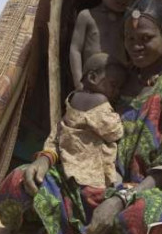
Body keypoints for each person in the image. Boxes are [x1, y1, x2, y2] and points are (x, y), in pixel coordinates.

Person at [0, 0, 162, 234]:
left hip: (149, 189)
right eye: (130, 39)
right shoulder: (115, 77)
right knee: (17, 183)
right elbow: (74, 124)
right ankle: (93, 232)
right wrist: (46, 158)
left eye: (146, 38)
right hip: (93, 182)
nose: (136, 46)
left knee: (140, 216)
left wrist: (120, 200)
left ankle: (80, 230)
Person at [54, 53, 126, 189]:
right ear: (93, 78)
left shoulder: (73, 97)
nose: (117, 92)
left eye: (119, 88)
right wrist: (119, 117)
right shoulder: (100, 101)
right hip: (91, 167)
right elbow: (114, 132)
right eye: (113, 85)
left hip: (69, 161)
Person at [69, 0, 137, 90]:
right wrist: (78, 81)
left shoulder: (126, 21)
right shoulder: (87, 16)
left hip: (119, 84)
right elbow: (75, 49)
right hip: (92, 81)